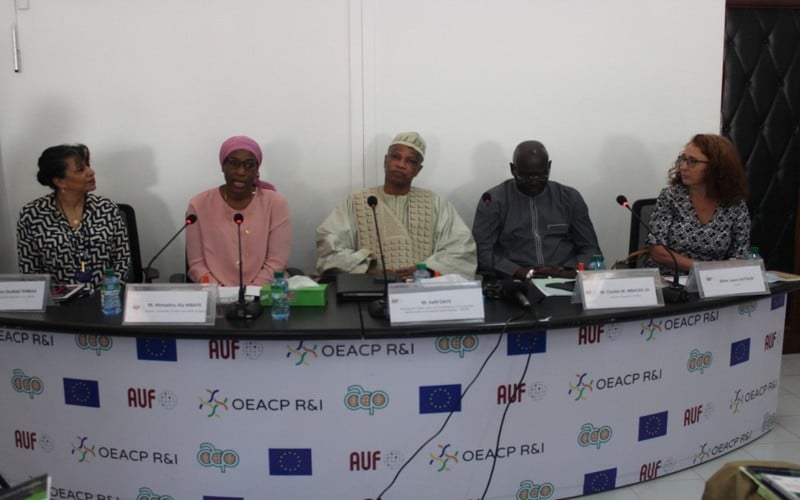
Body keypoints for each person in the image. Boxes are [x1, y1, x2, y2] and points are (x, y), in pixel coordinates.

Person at [316, 131, 476, 281]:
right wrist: (366, 267)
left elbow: (461, 249)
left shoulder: (437, 204)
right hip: (369, 289)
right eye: (396, 157)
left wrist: (426, 269)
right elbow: (329, 247)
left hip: (422, 290)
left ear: (418, 170)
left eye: (410, 161)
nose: (401, 164)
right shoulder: (357, 201)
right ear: (385, 161)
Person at [471, 140, 601, 280]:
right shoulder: (493, 200)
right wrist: (520, 272)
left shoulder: (569, 198)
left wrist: (567, 269)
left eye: (541, 174)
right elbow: (482, 253)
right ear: (513, 169)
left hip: (563, 278)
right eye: (526, 175)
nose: (534, 180)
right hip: (514, 280)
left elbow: (591, 249)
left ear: (549, 167)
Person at [16, 143, 130, 291]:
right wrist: (54, 298)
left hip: (106, 297)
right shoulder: (32, 215)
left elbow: (122, 260)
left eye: (88, 165)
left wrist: (108, 294)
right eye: (81, 169)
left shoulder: (106, 208)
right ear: (60, 181)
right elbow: (30, 271)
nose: (91, 172)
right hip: (58, 301)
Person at [185, 135, 292, 286]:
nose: (241, 172)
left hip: (264, 292)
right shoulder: (199, 204)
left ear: (257, 170)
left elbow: (276, 262)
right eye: (234, 163)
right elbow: (197, 265)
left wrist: (251, 292)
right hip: (215, 293)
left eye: (249, 165)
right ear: (223, 166)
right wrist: (218, 291)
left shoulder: (276, 203)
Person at [646, 134, 750, 274]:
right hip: (671, 277)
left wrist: (721, 274)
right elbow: (657, 251)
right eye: (683, 159)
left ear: (715, 167)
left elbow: (740, 253)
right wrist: (703, 269)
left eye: (692, 161)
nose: (683, 167)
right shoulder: (671, 197)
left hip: (714, 279)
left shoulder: (734, 204)